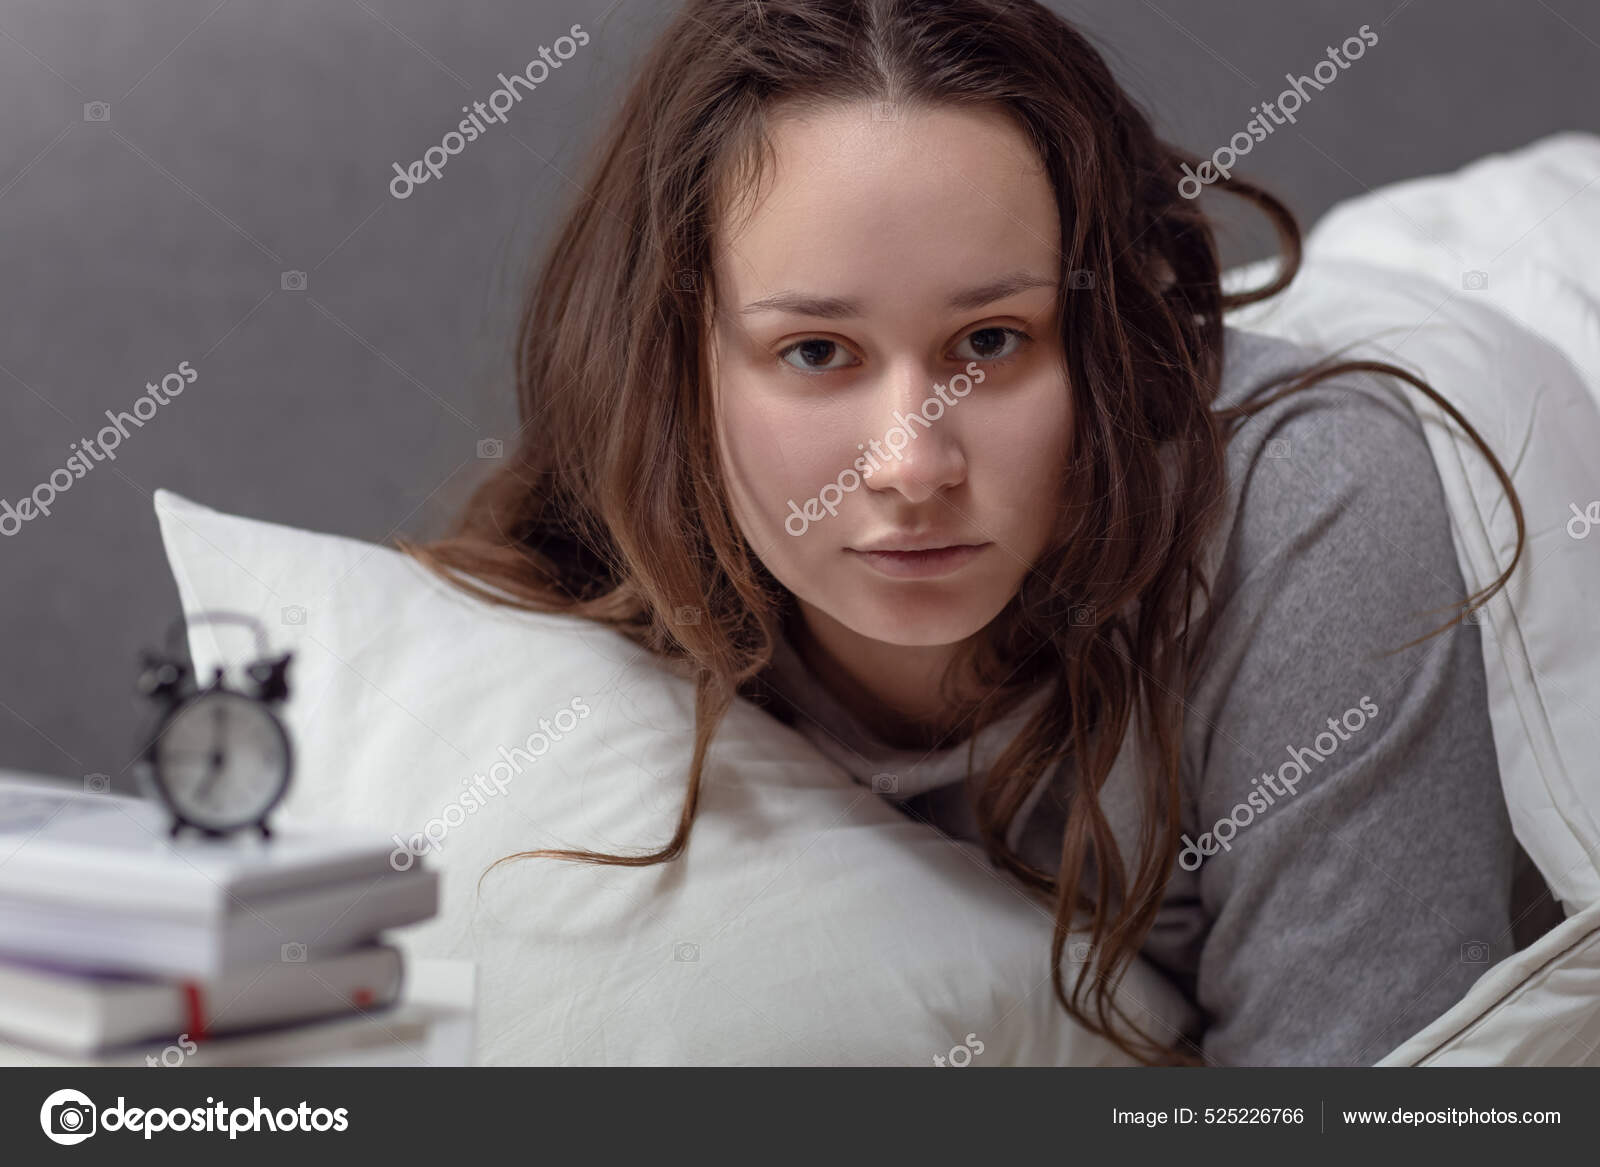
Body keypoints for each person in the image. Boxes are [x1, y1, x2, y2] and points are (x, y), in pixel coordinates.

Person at [400, 0, 1526, 1066]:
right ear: (672, 368)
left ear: (1101, 339)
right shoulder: (584, 619)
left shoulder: (1303, 512)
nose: (913, 465)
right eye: (815, 352)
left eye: (989, 342)